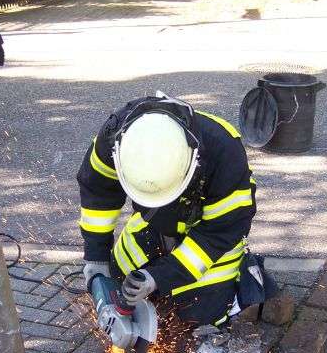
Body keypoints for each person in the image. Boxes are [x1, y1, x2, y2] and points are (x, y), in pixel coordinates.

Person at [77, 94, 257, 328]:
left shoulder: (224, 153)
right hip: (155, 221)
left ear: (192, 164)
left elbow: (221, 231)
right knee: (119, 277)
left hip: (208, 235)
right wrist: (96, 257)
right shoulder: (115, 138)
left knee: (197, 313)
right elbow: (98, 194)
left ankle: (233, 292)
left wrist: (159, 277)